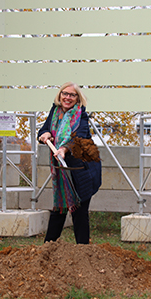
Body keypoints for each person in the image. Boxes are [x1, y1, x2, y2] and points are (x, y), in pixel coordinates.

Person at [38, 82, 102, 244]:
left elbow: (78, 137)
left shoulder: (81, 115)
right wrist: (45, 134)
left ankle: (83, 252)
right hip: (62, 171)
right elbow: (44, 129)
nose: (67, 97)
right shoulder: (55, 112)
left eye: (72, 95)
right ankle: (47, 250)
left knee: (79, 212)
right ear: (60, 95)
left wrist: (64, 149)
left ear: (77, 98)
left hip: (82, 170)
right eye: (64, 93)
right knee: (59, 210)